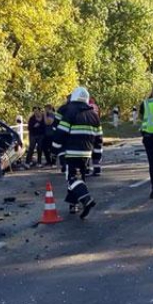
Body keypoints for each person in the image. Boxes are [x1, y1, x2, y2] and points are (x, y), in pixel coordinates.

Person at [52, 87, 102, 219]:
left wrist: (55, 148)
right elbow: (99, 140)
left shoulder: (69, 111)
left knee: (72, 178)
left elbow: (60, 131)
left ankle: (86, 200)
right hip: (86, 154)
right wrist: (97, 158)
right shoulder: (94, 115)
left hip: (71, 152)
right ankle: (74, 204)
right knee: (80, 179)